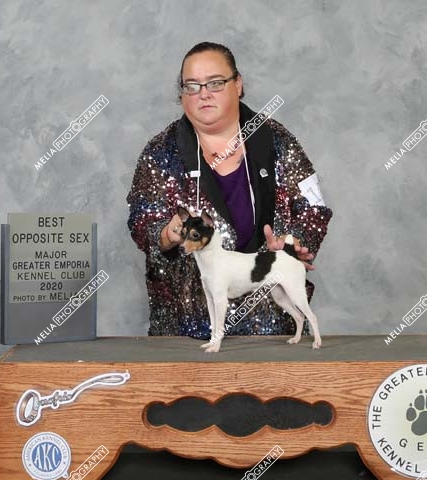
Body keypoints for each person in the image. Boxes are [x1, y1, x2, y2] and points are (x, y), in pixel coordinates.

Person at [126, 42, 333, 341]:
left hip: (270, 331)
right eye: (191, 86)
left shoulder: (276, 139)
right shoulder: (160, 151)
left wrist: (296, 240)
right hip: (185, 332)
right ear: (182, 94)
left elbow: (313, 208)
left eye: (215, 83)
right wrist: (166, 234)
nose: (203, 94)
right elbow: (141, 219)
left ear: (238, 84)